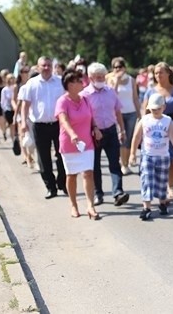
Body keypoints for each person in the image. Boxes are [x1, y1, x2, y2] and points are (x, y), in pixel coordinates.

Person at [55, 69, 102, 220]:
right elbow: (63, 120)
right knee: (72, 174)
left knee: (88, 173)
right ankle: (74, 205)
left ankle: (90, 206)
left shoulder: (85, 99)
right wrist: (72, 134)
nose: (80, 83)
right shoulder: (62, 101)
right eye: (76, 81)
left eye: (80, 80)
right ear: (69, 85)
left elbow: (91, 116)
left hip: (86, 143)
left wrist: (95, 128)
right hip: (69, 143)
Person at [80, 62, 129, 207]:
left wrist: (122, 129)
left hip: (111, 130)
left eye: (102, 76)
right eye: (98, 77)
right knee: (95, 165)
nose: (101, 79)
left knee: (115, 163)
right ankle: (98, 194)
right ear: (90, 78)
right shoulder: (84, 95)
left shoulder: (110, 91)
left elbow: (118, 110)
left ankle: (118, 192)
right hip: (93, 134)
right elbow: (83, 117)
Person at [130, 93, 173, 220]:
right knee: (147, 180)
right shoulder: (145, 120)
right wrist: (133, 154)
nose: (155, 111)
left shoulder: (167, 120)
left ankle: (162, 203)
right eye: (153, 109)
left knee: (162, 181)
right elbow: (136, 137)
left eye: (158, 109)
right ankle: (146, 207)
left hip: (163, 156)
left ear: (163, 107)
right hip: (148, 155)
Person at [20, 57, 67, 199]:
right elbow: (25, 105)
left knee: (62, 155)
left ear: (52, 67)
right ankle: (50, 187)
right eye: (43, 65)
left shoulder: (60, 82)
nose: (46, 68)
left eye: (48, 65)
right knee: (43, 158)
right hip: (39, 125)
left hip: (59, 124)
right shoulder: (32, 84)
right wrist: (23, 123)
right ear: (38, 67)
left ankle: (62, 183)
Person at [143, 62, 173, 199]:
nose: (158, 75)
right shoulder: (150, 91)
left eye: (161, 72)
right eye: (156, 73)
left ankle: (170, 186)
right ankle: (158, 185)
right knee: (156, 158)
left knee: (171, 158)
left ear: (168, 73)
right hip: (155, 127)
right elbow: (145, 111)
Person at [109, 58, 141, 175]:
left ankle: (126, 163)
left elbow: (135, 98)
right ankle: (123, 164)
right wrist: (116, 80)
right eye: (115, 67)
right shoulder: (111, 80)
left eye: (120, 67)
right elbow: (112, 95)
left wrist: (139, 113)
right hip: (118, 113)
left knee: (130, 139)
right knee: (122, 139)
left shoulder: (131, 80)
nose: (118, 69)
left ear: (124, 68)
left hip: (131, 112)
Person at [0, 73, 17, 143]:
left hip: (16, 109)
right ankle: (13, 140)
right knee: (11, 125)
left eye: (12, 78)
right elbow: (3, 101)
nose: (12, 80)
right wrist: (5, 108)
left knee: (15, 125)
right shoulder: (5, 90)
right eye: (10, 79)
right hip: (8, 109)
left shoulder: (16, 87)